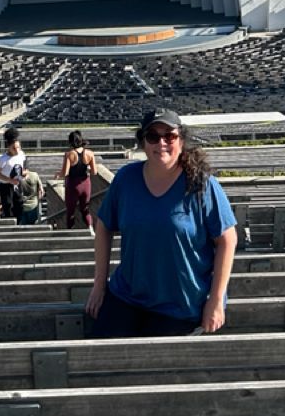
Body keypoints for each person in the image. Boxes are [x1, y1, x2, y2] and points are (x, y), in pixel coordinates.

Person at [87, 108, 237, 337]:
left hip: (180, 305)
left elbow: (228, 239)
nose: (162, 143)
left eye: (170, 136)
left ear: (181, 140)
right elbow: (104, 225)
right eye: (153, 137)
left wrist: (216, 300)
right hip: (128, 295)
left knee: (154, 359)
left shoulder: (202, 184)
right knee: (100, 353)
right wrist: (100, 285)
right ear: (143, 143)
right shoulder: (126, 179)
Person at [0, 127, 43, 221]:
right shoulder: (3, 159)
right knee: (8, 208)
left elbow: (25, 166)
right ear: (8, 147)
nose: (17, 150)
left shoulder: (21, 154)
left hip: (18, 185)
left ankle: (18, 225)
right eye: (14, 148)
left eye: (18, 147)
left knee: (19, 207)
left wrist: (25, 173)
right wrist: (10, 180)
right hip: (6, 186)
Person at [60, 130, 96, 229]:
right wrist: (86, 168)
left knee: (70, 211)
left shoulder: (69, 154)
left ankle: (70, 232)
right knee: (85, 209)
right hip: (86, 184)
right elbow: (94, 172)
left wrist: (58, 174)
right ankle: (90, 229)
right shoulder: (90, 153)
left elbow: (65, 173)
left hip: (73, 185)